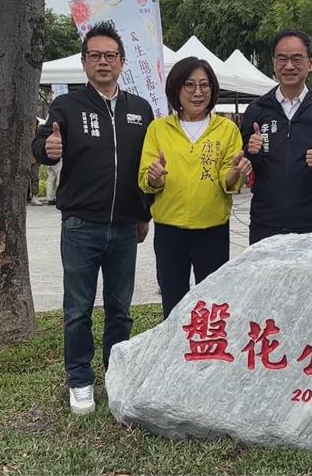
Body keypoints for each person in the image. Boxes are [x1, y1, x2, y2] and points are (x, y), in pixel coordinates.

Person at [31, 21, 153, 416]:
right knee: (78, 308)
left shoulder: (140, 109)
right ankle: (80, 380)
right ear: (84, 63)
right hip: (81, 225)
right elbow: (43, 143)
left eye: (110, 56)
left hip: (126, 226)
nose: (103, 62)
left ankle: (115, 374)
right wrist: (46, 149)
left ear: (122, 62)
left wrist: (143, 212)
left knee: (121, 308)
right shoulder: (67, 106)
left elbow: (149, 164)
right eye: (95, 56)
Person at [140, 56, 250, 318]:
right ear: (176, 89)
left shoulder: (226, 129)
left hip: (212, 231)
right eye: (189, 85)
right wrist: (156, 176)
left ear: (213, 90)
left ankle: (209, 358)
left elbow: (227, 178)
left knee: (213, 305)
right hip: (170, 232)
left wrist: (235, 171)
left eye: (204, 85)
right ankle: (176, 356)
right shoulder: (158, 129)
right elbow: (146, 178)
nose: (198, 92)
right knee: (173, 304)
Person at [240, 29, 312, 244]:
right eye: (282, 58)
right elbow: (247, 165)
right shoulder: (257, 110)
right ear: (273, 63)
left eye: (297, 59)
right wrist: (252, 154)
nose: (289, 66)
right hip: (265, 223)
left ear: (310, 64)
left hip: (310, 225)